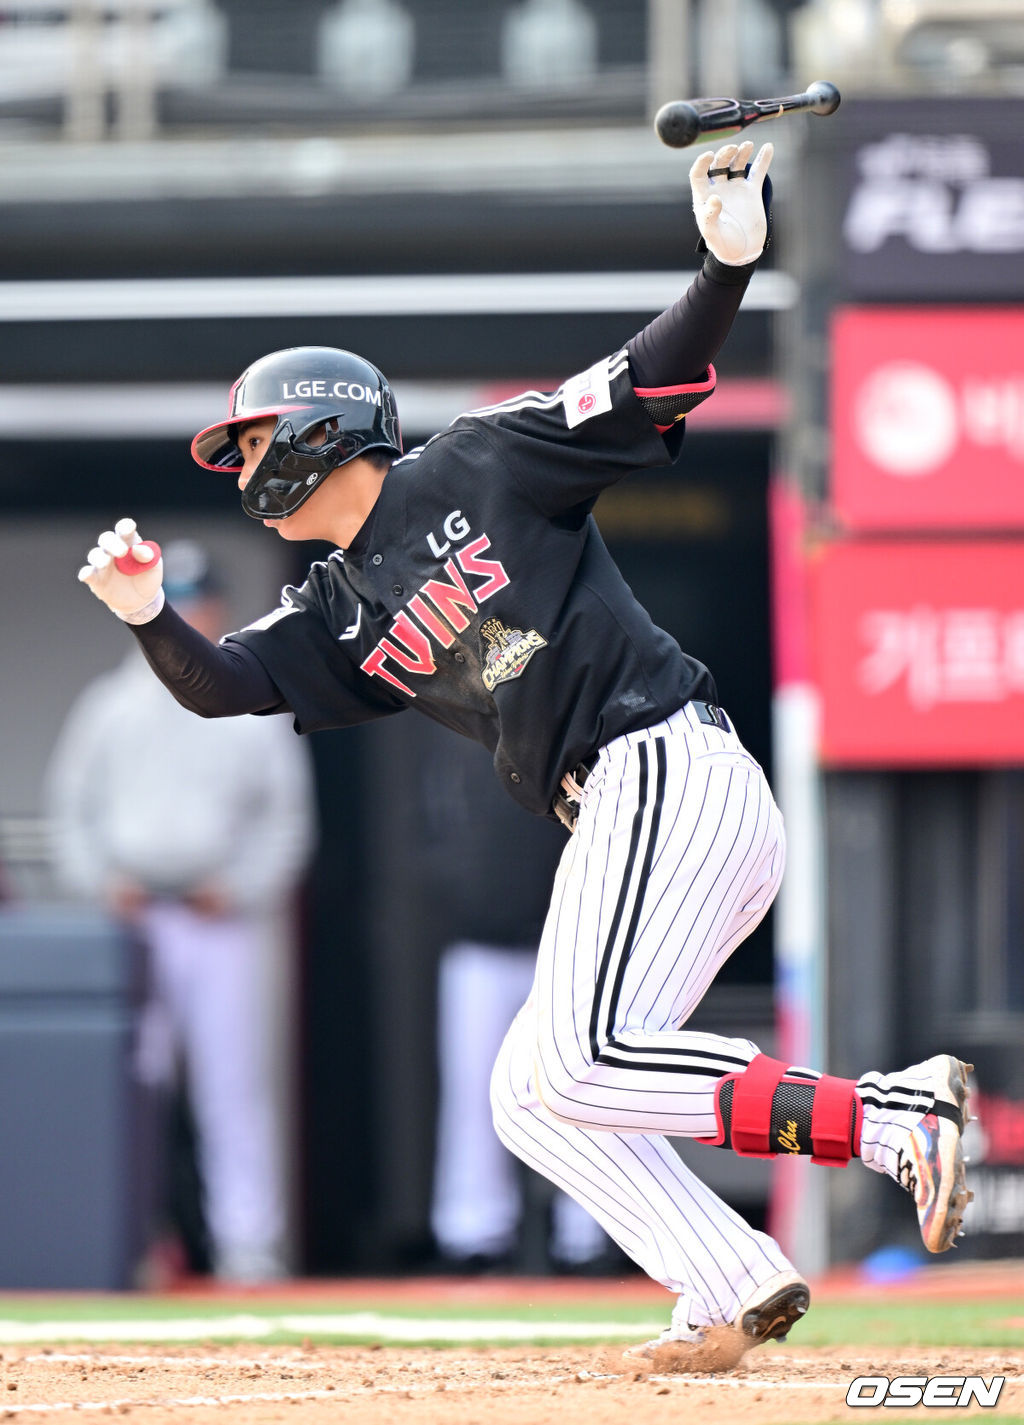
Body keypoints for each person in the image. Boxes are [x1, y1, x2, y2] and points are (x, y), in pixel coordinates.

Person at [75, 143, 972, 1369]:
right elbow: (226, 685)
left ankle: (888, 1114)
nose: (241, 465)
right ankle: (730, 1283)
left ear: (321, 429)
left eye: (252, 439)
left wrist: (722, 266)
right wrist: (146, 617)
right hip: (612, 805)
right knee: (534, 1094)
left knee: (582, 1056)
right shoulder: (333, 608)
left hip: (664, 764)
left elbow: (651, 378)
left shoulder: (478, 462)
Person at [48, 539, 317, 1284]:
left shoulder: (249, 699)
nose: (192, 610)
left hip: (223, 918)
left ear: (219, 607)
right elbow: (72, 813)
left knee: (237, 1089)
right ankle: (130, 1242)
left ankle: (249, 1250)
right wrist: (103, 880)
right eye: (181, 597)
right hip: (134, 924)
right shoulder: (110, 704)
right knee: (129, 1091)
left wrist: (238, 884)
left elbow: (288, 825)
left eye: (201, 598)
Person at [421, 727, 609, 1273]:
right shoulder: (453, 734)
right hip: (478, 940)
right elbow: (429, 832)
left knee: (582, 1083)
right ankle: (472, 1235)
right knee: (473, 1091)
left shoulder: (573, 727)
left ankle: (587, 1237)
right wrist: (459, 892)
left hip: (566, 939)